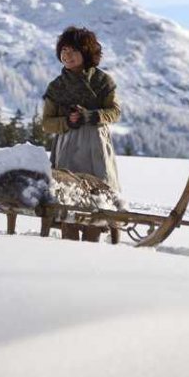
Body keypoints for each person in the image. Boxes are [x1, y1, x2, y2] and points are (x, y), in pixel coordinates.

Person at [42, 26, 121, 242]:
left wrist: (92, 116)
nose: (67, 56)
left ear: (86, 53)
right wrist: (67, 121)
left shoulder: (103, 82)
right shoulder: (56, 87)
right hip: (67, 146)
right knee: (68, 195)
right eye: (64, 50)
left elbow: (114, 112)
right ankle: (69, 243)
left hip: (96, 147)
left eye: (73, 51)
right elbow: (47, 123)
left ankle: (92, 244)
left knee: (97, 196)